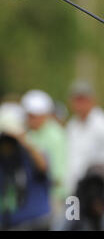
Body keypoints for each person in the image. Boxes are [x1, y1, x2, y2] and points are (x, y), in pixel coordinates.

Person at [65, 81, 104, 203]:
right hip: (75, 195)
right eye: (76, 100)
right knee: (71, 221)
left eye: (83, 99)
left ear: (92, 100)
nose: (79, 104)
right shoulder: (72, 126)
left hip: (100, 196)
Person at [0, 103, 51, 230]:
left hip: (36, 222)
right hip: (8, 222)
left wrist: (24, 141)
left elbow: (44, 167)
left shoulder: (32, 152)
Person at [21, 90, 68, 224]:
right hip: (35, 197)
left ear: (44, 115)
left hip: (53, 198)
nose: (29, 119)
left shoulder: (55, 135)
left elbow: (57, 176)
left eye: (33, 116)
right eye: (28, 116)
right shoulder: (30, 133)